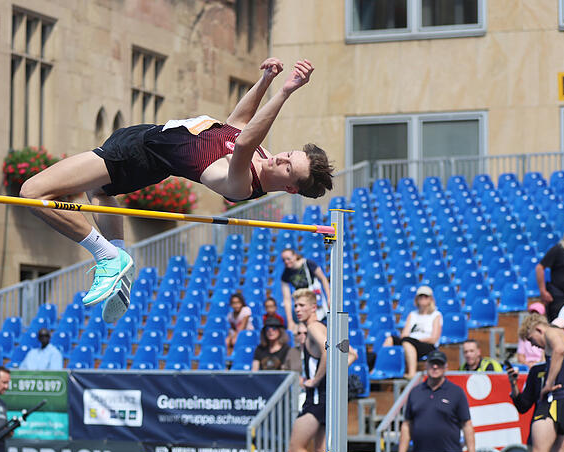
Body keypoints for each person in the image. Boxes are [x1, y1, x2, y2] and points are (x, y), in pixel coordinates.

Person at [19, 58, 332, 323]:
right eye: (289, 154)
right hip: (141, 143)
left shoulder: (243, 182)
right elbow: (237, 122)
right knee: (99, 192)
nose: (280, 158)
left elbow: (245, 139)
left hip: (137, 156)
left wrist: (286, 90)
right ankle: (119, 259)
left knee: (33, 192)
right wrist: (265, 80)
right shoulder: (264, 156)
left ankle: (108, 257)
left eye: (288, 167)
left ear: (290, 187)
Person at [517, 313, 564, 452]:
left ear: (538, 329)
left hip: (552, 402)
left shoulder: (550, 331)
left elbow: (559, 350)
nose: (532, 345)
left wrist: (548, 384)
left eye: (531, 339)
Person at [397, 350, 475, 452]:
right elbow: (407, 425)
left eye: (439, 364)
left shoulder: (456, 392)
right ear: (426, 365)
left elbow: (467, 425)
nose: (435, 367)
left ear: (446, 367)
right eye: (432, 363)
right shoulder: (415, 392)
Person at [288, 289, 328, 452]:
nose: (297, 309)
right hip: (324, 398)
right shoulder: (322, 327)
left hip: (317, 398)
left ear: (313, 308)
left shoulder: (313, 327)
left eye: (302, 305)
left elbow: (328, 352)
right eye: (295, 305)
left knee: (295, 449)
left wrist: (316, 379)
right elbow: (351, 355)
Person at [383, 285, 442, 378]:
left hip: (426, 346)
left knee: (407, 342)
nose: (423, 299)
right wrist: (411, 340)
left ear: (431, 299)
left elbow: (434, 339)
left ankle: (412, 373)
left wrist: (416, 341)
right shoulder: (412, 314)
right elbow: (405, 334)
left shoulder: (436, 315)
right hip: (410, 341)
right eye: (420, 296)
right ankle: (385, 369)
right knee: (390, 339)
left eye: (425, 296)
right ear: (417, 299)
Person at [279, 248, 331, 325]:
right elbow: (287, 299)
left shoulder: (308, 264)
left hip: (315, 299)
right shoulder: (285, 275)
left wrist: (329, 298)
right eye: (284, 260)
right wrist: (290, 321)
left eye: (288, 259)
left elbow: (323, 279)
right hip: (302, 301)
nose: (286, 262)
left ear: (295, 256)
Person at [516, 302, 547, 367]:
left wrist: (537, 364)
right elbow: (520, 356)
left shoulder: (546, 336)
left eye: (537, 313)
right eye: (532, 313)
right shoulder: (524, 335)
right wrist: (528, 364)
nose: (534, 316)